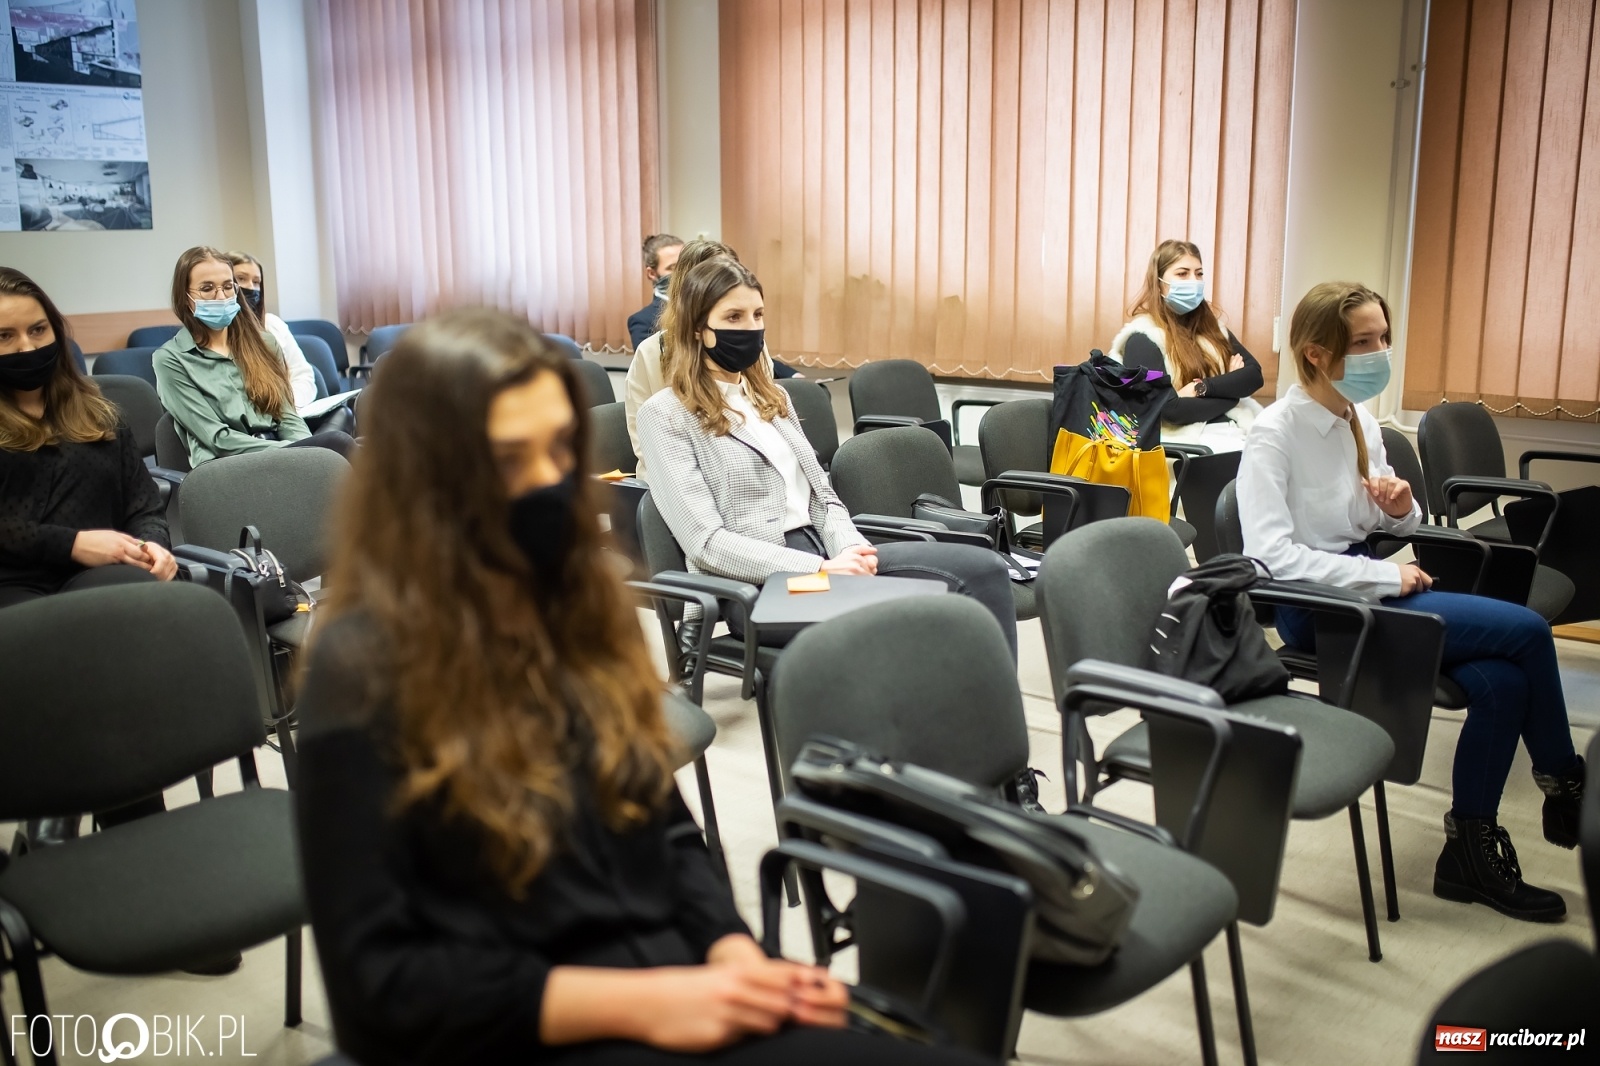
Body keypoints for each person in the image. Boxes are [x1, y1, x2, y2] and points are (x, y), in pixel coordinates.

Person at [294, 309, 987, 1065]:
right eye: (506, 459)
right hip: (531, 1028)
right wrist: (656, 1003)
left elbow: (666, 828)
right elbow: (380, 991)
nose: (545, 484)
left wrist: (733, 957)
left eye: (559, 451)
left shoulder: (572, 611)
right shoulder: (360, 665)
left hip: (668, 980)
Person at [1238, 281, 1584, 924]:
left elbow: (1381, 522)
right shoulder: (1275, 436)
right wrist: (1381, 580)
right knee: (1529, 632)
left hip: (1368, 584)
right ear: (1315, 353)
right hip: (1320, 611)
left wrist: (1400, 511)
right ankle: (1570, 785)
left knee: (1504, 684)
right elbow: (1270, 560)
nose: (1380, 352)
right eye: (1363, 341)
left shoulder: (1356, 417)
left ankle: (1468, 857)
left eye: (1383, 338)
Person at [636, 258, 1017, 657]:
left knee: (984, 570)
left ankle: (993, 711)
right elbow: (706, 544)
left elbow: (824, 496)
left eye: (758, 314)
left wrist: (851, 551)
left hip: (827, 552)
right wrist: (818, 570)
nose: (750, 328)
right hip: (761, 586)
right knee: (909, 615)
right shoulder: (665, 415)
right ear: (698, 329)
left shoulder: (773, 396)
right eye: (733, 316)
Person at [0, 267, 175, 611]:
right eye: (4, 336)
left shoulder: (100, 413)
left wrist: (151, 545)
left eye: (38, 330)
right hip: (12, 582)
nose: (27, 346)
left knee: (153, 599)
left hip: (99, 574)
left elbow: (144, 507)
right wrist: (72, 544)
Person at [153, 246, 354, 466]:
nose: (220, 296)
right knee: (338, 446)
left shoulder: (265, 343)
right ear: (185, 297)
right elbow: (217, 439)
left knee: (342, 444)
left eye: (228, 286)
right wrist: (297, 451)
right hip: (224, 466)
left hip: (281, 453)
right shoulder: (170, 359)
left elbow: (287, 417)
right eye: (207, 288)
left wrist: (307, 452)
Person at [1110, 239, 1265, 450]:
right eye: (1182, 274)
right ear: (1159, 283)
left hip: (1230, 430)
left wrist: (1201, 387)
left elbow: (1253, 375)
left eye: (1199, 273)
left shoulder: (1213, 330)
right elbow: (1169, 410)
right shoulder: (1142, 339)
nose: (1194, 281)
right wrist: (1231, 391)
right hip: (1183, 445)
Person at [228, 250, 356, 435]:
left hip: (291, 413)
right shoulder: (220, 336)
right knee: (336, 445)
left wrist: (289, 406)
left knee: (342, 415)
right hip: (259, 426)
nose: (251, 287)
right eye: (241, 279)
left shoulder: (272, 325)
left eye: (256, 282)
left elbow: (302, 374)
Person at [626, 233, 684, 349]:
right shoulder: (642, 322)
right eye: (672, 267)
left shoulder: (708, 306)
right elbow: (653, 365)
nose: (683, 272)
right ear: (652, 273)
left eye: (686, 264)